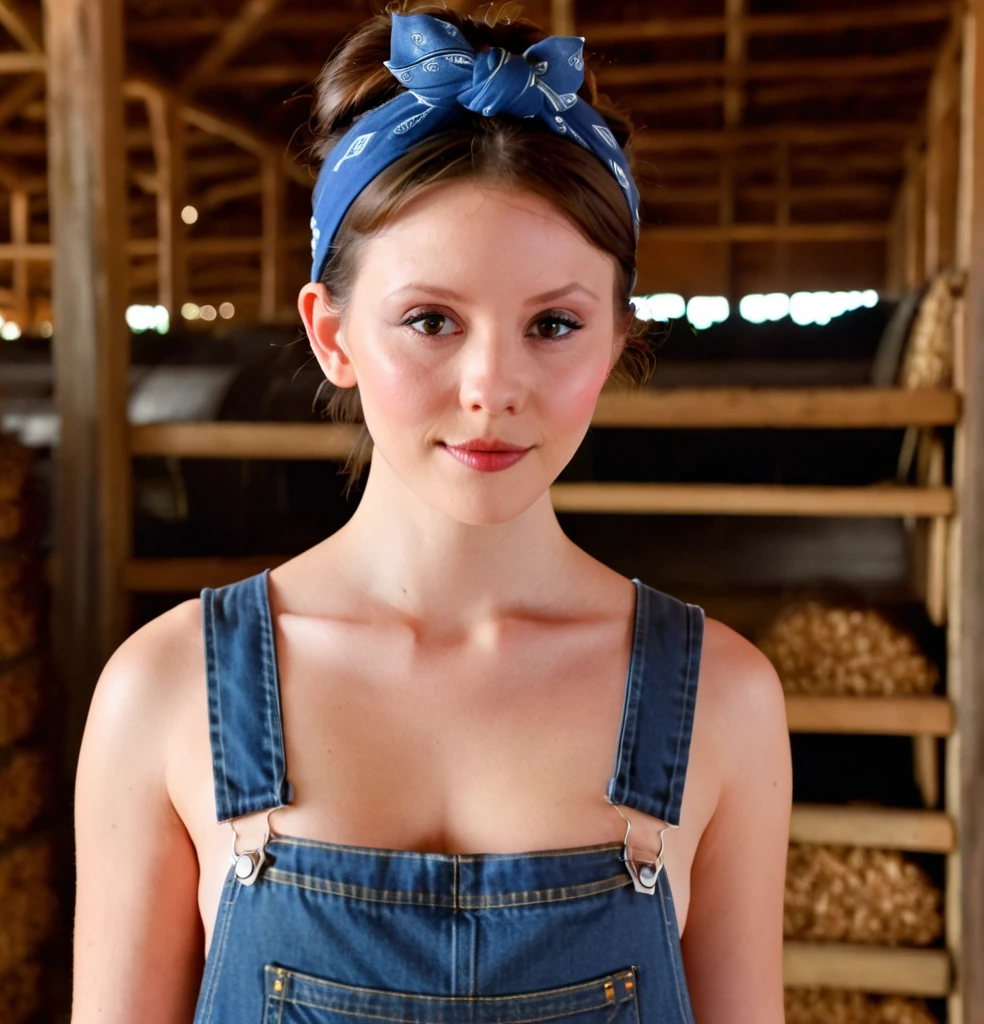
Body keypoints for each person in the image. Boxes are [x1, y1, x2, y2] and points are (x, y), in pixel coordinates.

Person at [71, 4, 792, 1022]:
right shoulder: (163, 691)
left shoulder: (725, 701)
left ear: (617, 339)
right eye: (429, 320)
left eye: (553, 323)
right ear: (331, 334)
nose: (491, 385)